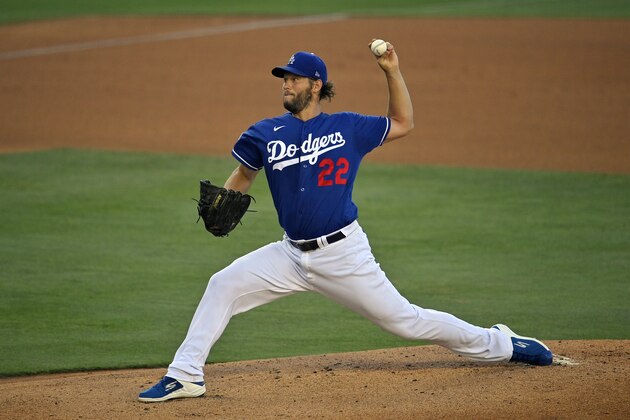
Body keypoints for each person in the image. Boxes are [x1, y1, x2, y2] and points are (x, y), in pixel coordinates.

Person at [139, 41, 553, 403]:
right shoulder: (264, 132)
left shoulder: (347, 127)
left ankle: (502, 343)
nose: (286, 84)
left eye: (295, 79)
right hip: (289, 255)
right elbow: (244, 174)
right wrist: (226, 201)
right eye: (284, 79)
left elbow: (404, 123)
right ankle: (185, 375)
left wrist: (392, 71)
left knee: (405, 321)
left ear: (316, 85)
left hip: (343, 255)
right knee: (223, 284)